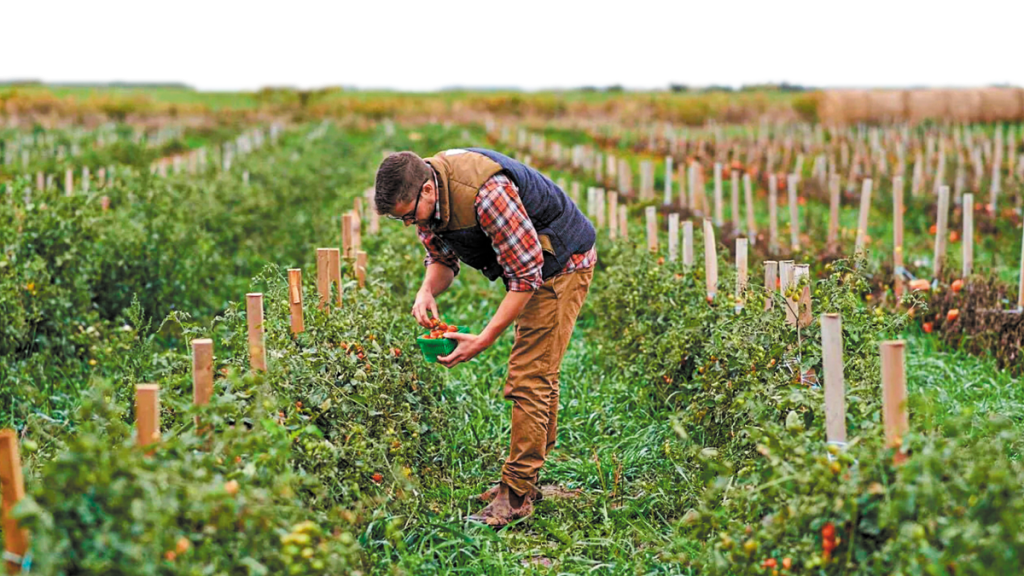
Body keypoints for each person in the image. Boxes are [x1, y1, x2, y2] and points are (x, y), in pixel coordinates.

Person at [374, 147, 596, 527]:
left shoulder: (487, 194)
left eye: (409, 215)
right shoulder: (428, 197)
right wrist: (426, 290)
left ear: (427, 190)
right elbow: (442, 260)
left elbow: (526, 276)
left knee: (530, 376)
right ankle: (527, 480)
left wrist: (485, 338)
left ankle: (516, 495)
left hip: (562, 263)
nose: (410, 224)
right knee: (539, 371)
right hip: (533, 266)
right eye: (402, 219)